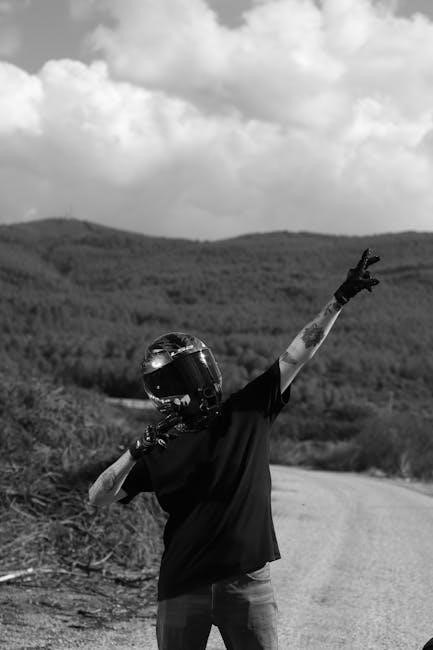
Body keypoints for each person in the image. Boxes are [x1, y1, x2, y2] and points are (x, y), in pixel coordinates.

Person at [88, 248, 380, 650]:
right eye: (183, 378)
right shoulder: (157, 447)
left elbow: (298, 353)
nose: (196, 383)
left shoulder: (247, 410)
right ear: (163, 393)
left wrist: (339, 299)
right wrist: (134, 452)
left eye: (196, 370)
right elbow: (98, 496)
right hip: (182, 585)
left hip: (247, 581)